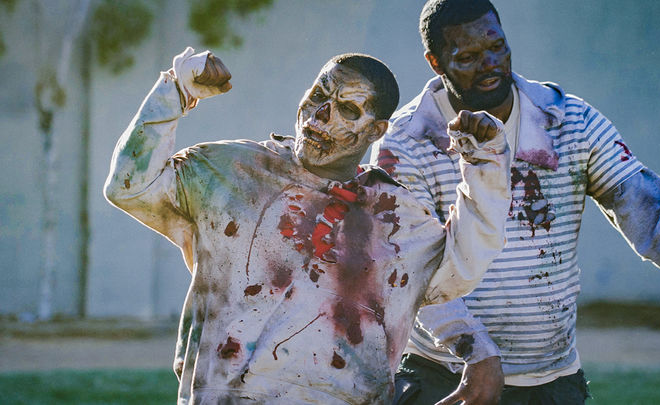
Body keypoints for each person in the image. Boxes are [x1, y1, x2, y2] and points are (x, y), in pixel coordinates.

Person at [104, 47, 512, 404]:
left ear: (376, 131)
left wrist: (486, 165)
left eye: (347, 110)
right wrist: (176, 90)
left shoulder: (394, 218)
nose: (320, 116)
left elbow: (462, 266)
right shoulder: (233, 171)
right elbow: (129, 186)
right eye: (318, 95)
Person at [370, 1, 660, 404]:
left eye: (497, 47)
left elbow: (651, 213)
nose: (490, 64)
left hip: (552, 379)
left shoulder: (569, 120)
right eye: (467, 57)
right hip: (444, 374)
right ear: (435, 62)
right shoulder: (407, 141)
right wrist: (474, 349)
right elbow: (406, 265)